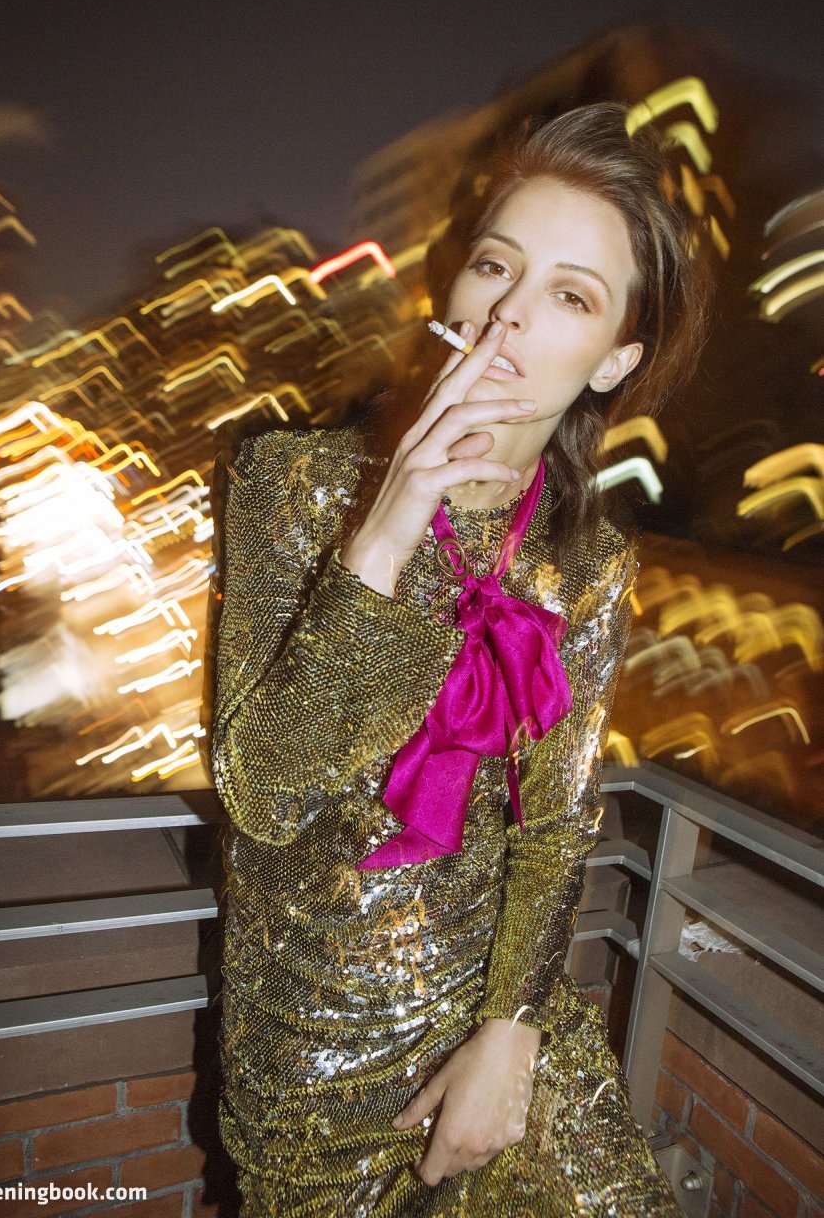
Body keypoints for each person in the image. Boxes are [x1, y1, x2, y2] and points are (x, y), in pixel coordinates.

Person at [210, 101, 712, 1216]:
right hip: (313, 1050)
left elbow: (555, 824)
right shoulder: (294, 483)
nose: (507, 315)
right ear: (451, 293)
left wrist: (511, 1030)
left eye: (570, 297)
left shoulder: (588, 560)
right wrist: (384, 537)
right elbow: (265, 793)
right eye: (495, 266)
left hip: (494, 998)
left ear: (612, 360)